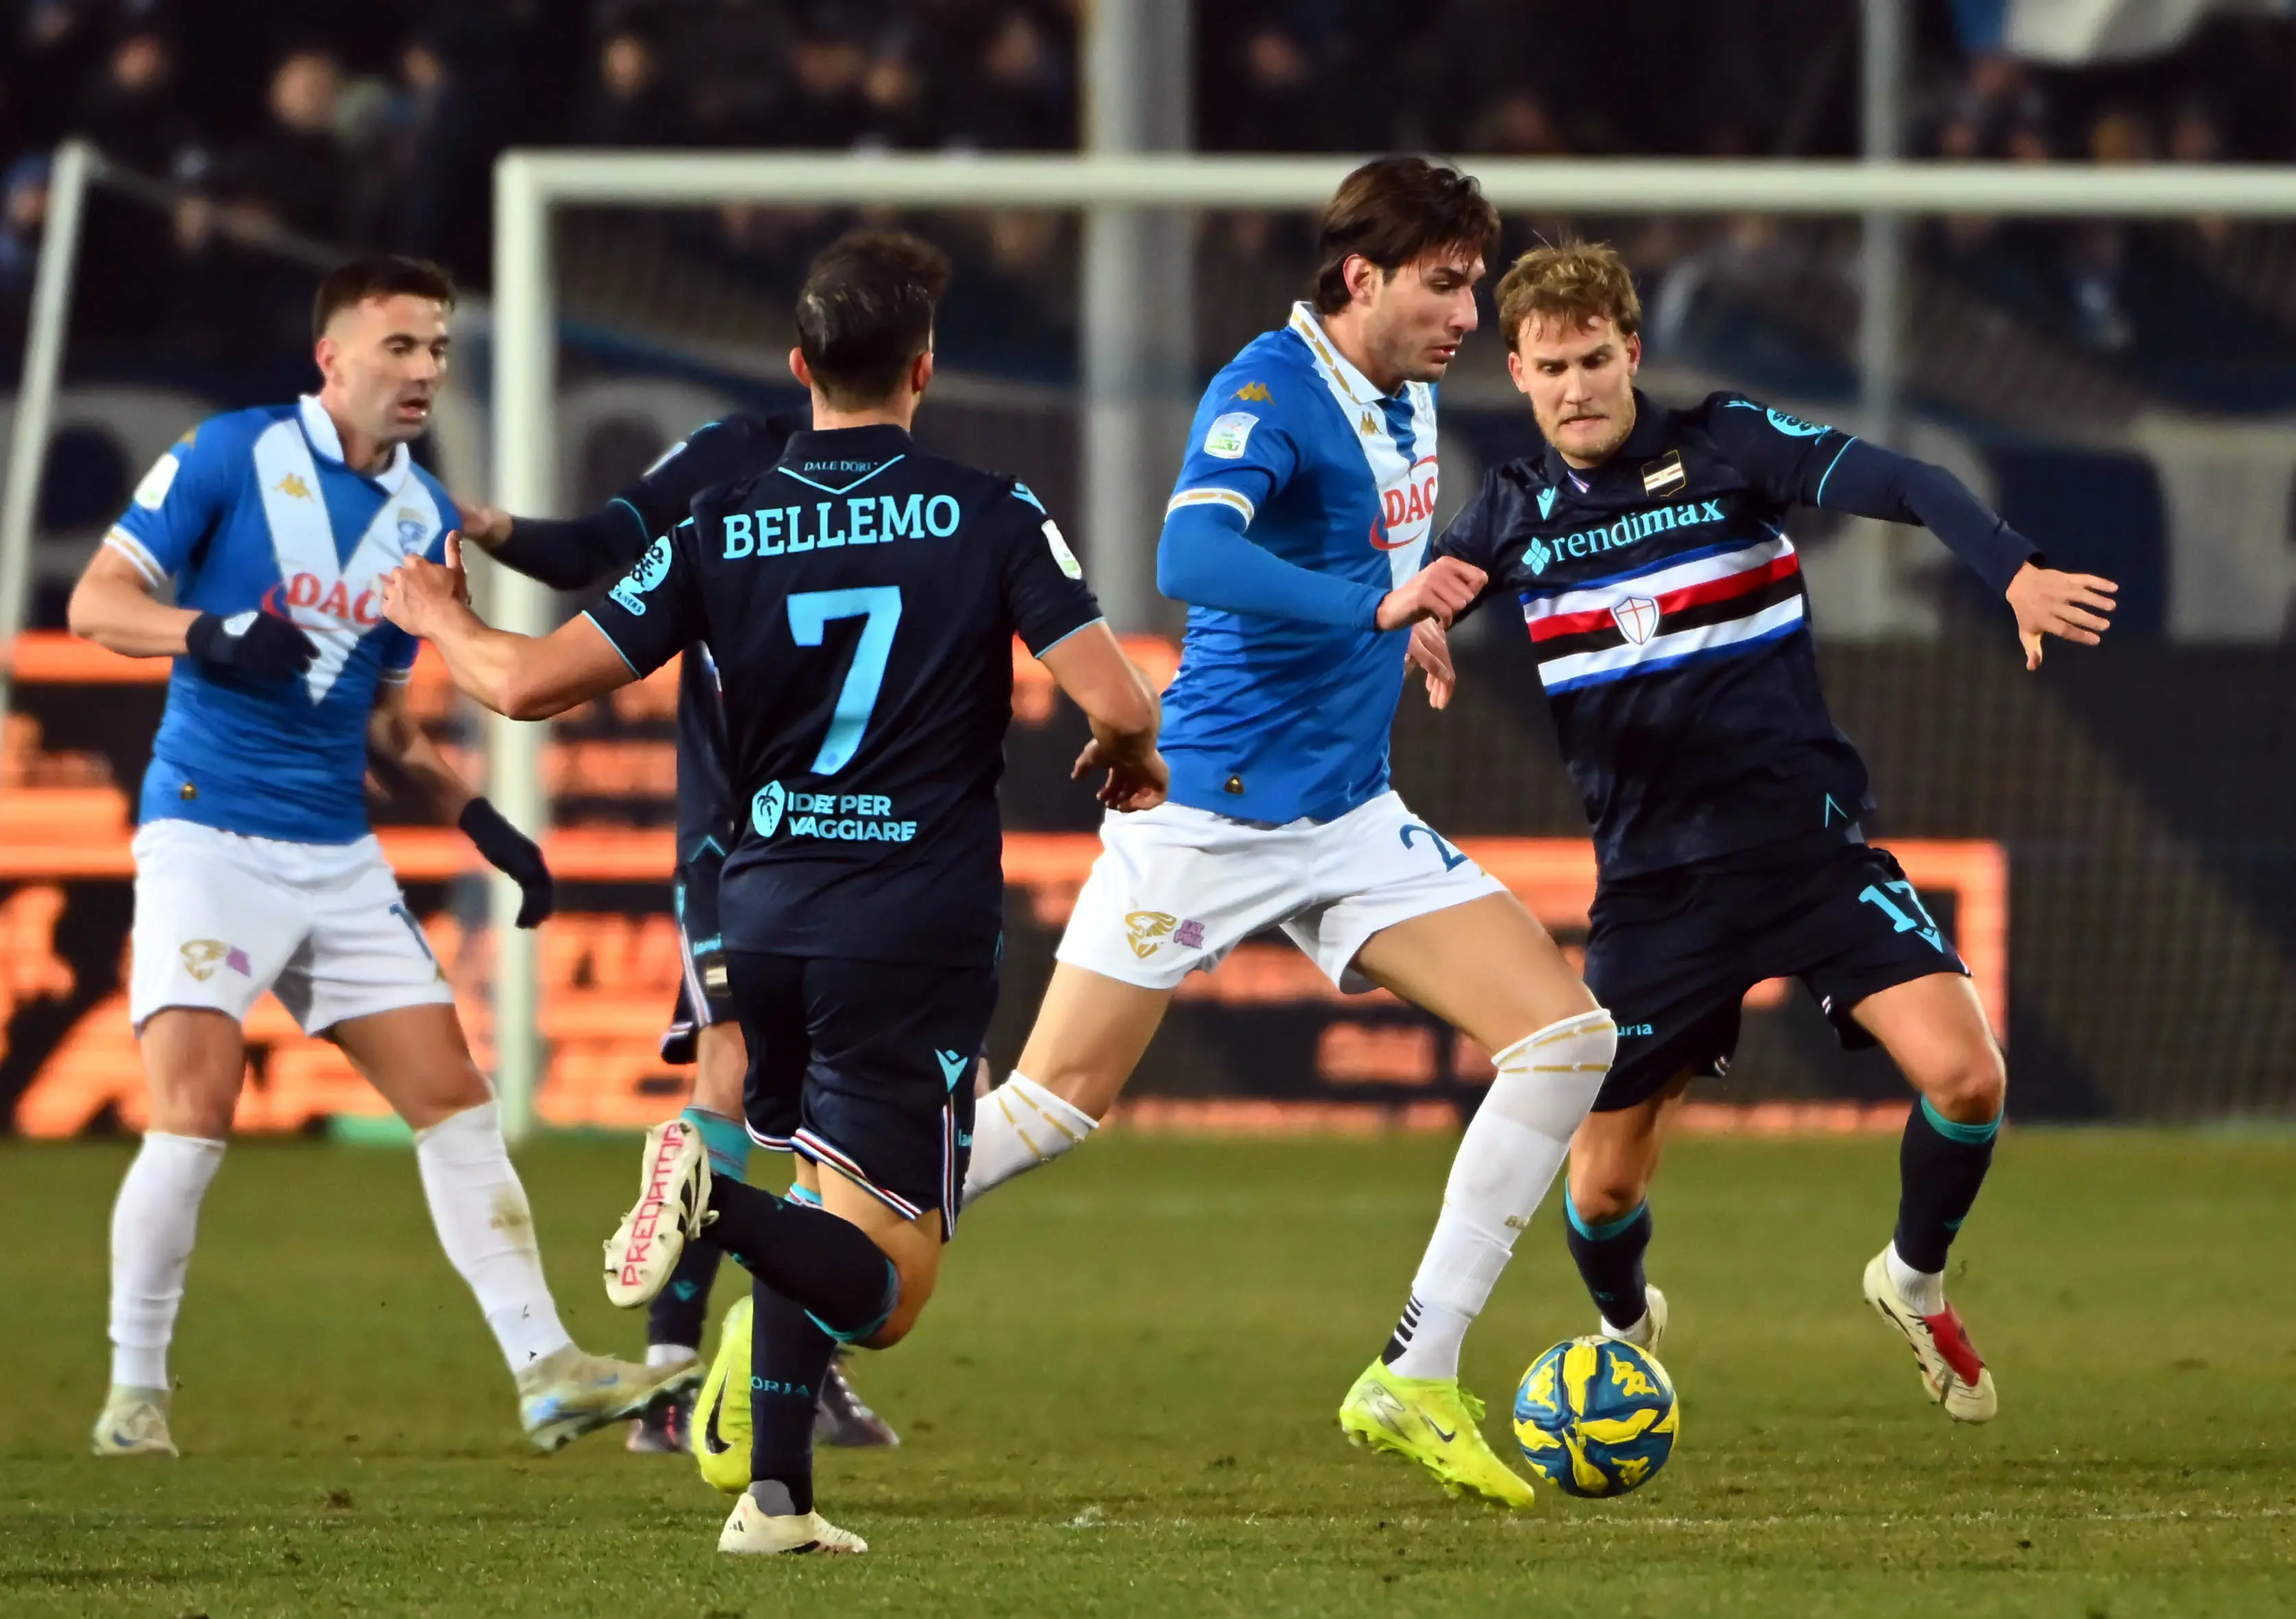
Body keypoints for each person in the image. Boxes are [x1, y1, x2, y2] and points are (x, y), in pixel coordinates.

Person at [378, 229, 1164, 1555]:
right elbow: (1117, 695)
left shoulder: (722, 520)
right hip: (910, 927)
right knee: (888, 1291)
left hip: (762, 917)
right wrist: (1125, 754)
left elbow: (521, 682)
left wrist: (438, 613)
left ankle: (776, 1497)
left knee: (817, 1191)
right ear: (924, 368)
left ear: (799, 364)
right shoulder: (990, 507)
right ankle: (707, 1198)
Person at [957, 156, 1616, 1509]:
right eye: (1443, 282)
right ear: (1359, 278)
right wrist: (1369, 614)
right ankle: (800, 1280)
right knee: (1049, 1108)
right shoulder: (1266, 390)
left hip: (1348, 813)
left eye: (1472, 281)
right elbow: (1191, 558)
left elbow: (1364, 566)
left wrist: (1410, 618)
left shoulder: (1412, 393)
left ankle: (1415, 1371)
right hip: (1210, 811)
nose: (1465, 308)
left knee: (1567, 1037)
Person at [1422, 241, 2120, 1423]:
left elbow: (1904, 480)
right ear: (1518, 374)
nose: (1578, 384)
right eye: (1552, 365)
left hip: (1807, 852)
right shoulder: (1504, 514)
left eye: (1597, 358)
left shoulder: (1724, 442)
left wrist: (2010, 572)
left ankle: (1910, 1277)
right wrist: (1410, 628)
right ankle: (1626, 1329)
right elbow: (1405, 597)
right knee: (1597, 1193)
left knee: (1967, 1075)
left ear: (1632, 353)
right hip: (1655, 892)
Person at [67, 255, 696, 1459]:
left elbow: (386, 723)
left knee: (458, 1104)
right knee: (196, 1111)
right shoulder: (226, 455)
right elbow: (98, 604)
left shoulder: (424, 519)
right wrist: (204, 629)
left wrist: (481, 824)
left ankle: (548, 1371)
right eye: (400, 346)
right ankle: (134, 1393)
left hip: (335, 851)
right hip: (208, 827)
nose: (423, 371)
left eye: (439, 350)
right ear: (333, 356)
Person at [457, 412, 898, 1453]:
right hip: (737, 846)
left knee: (842, 1109)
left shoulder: (923, 489)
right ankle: (667, 1372)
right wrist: (493, 526)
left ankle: (797, 1357)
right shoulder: (733, 455)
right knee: (737, 1074)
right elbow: (594, 548)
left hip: (871, 847)